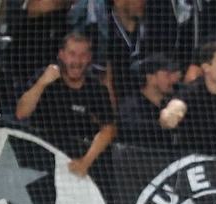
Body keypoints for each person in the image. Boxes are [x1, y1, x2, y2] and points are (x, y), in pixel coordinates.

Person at [16, 32, 116, 177]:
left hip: (75, 164)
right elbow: (21, 113)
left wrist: (85, 161)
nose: (77, 60)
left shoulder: (96, 88)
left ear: (89, 58)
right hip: (39, 160)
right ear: (61, 55)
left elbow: (109, 129)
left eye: (82, 55)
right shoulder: (45, 78)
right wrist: (42, 83)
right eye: (72, 54)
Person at [118, 53, 181, 149]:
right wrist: (162, 124)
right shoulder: (131, 105)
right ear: (151, 78)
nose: (172, 80)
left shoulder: (172, 102)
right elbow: (130, 129)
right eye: (167, 75)